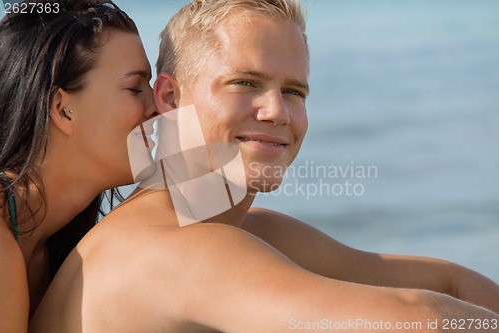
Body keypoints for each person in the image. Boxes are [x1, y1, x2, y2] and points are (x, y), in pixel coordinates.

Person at [31, 0, 498, 332]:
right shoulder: (176, 249)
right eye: (245, 82)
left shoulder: (249, 232)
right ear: (170, 98)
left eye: (294, 91)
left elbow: (449, 281)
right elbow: (422, 320)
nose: (276, 111)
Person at [0, 0, 156, 331]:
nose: (158, 106)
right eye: (135, 88)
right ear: (62, 108)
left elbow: (214, 233)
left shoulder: (67, 244)